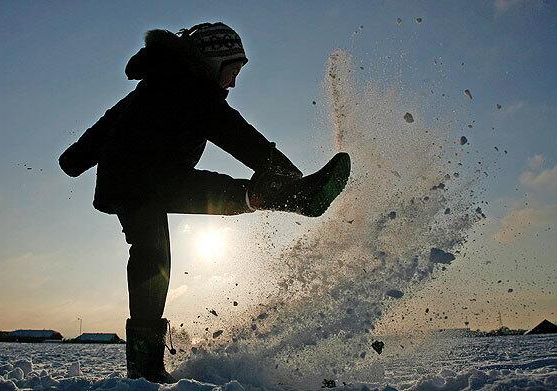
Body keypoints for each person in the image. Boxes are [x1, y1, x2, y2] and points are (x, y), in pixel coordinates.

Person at [59, 22, 350, 383]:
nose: (233, 82)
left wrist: (75, 159)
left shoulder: (159, 81)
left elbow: (109, 122)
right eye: (233, 71)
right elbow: (243, 139)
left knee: (156, 252)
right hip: (145, 182)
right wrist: (295, 178)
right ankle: (301, 197)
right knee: (160, 250)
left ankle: (144, 369)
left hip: (138, 181)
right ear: (214, 62)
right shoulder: (193, 91)